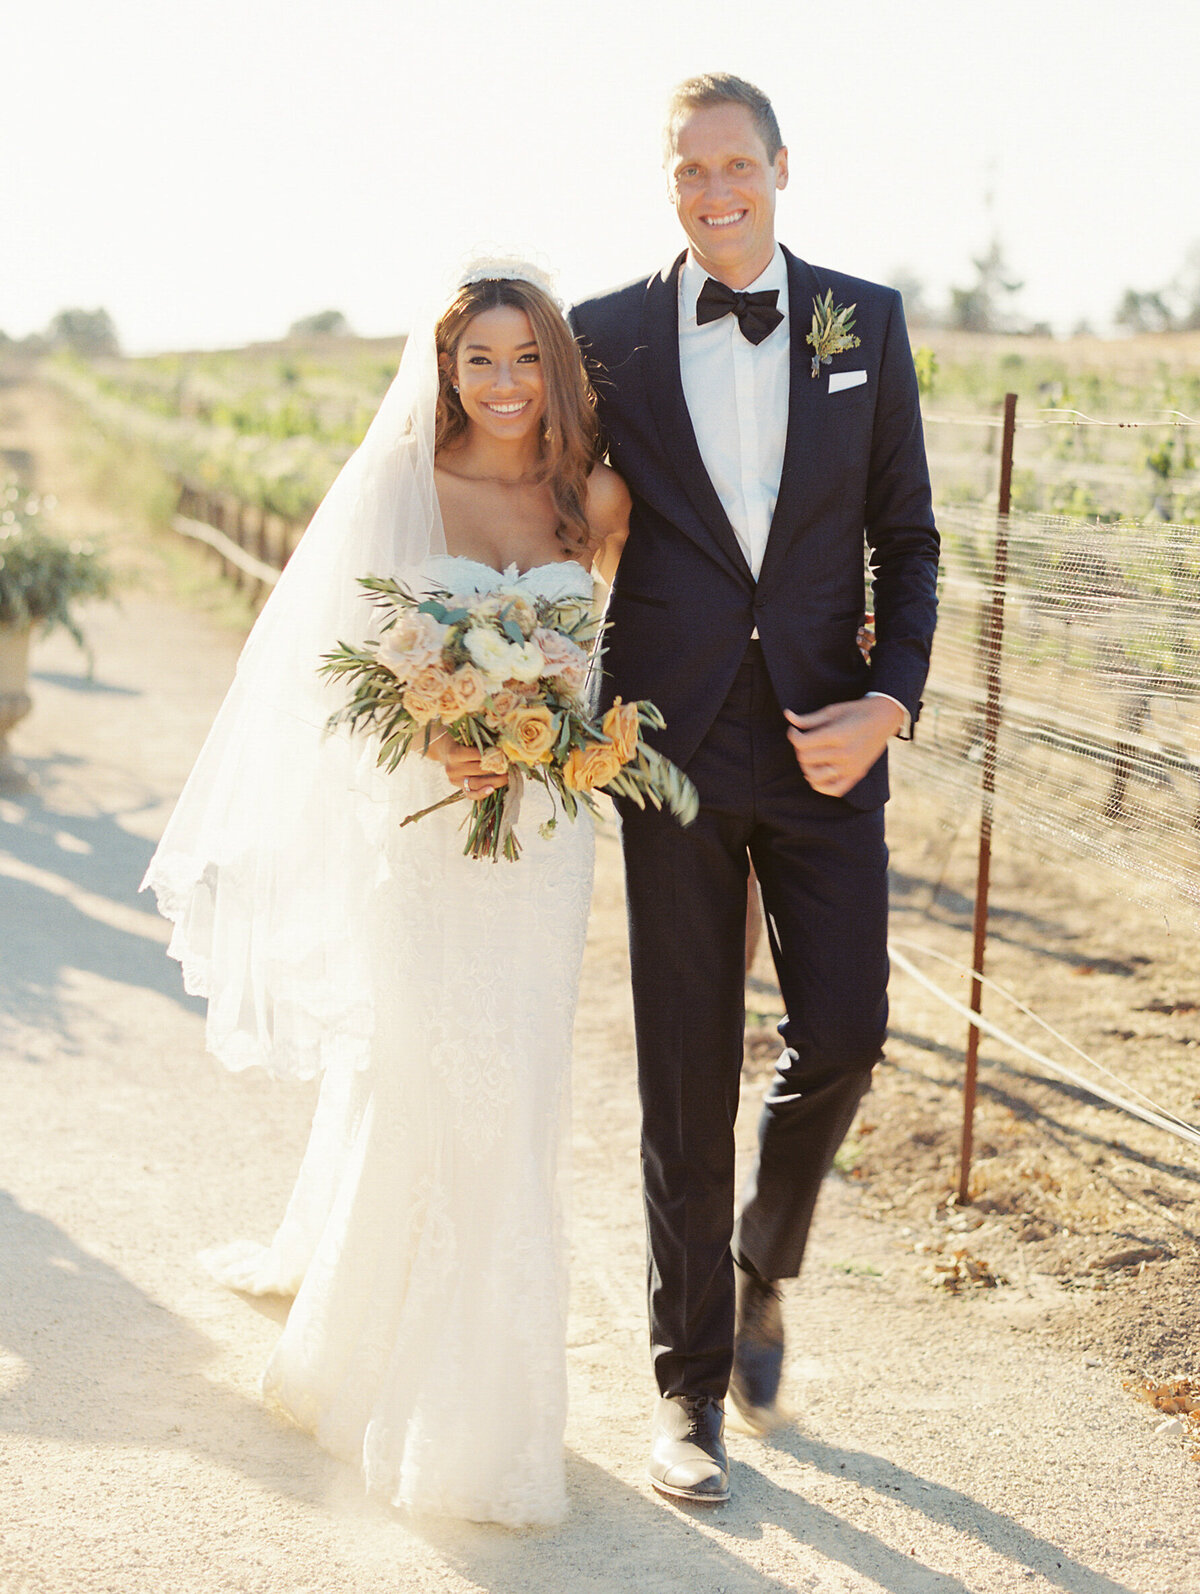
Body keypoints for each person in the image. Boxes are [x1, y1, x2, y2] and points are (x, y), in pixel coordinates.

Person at [144, 263, 629, 1527]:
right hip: (423, 840)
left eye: (528, 359)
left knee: (515, 1103)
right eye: (482, 359)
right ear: (447, 368)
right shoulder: (406, 489)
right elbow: (335, 679)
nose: (507, 383)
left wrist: (557, 736)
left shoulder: (598, 502)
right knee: (428, 1083)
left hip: (543, 844)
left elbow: (603, 664)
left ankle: (491, 1412)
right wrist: (435, 739)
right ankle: (394, 1377)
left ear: (558, 368)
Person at [569, 74, 939, 1503]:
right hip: (662, 747)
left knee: (845, 1029)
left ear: (782, 167)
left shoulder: (867, 320)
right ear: (665, 181)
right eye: (689, 171)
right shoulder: (603, 336)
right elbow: (550, 512)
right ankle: (687, 1395)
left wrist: (888, 704)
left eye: (738, 165)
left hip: (826, 734)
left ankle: (762, 1259)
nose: (715, 190)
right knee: (682, 1068)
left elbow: (907, 540)